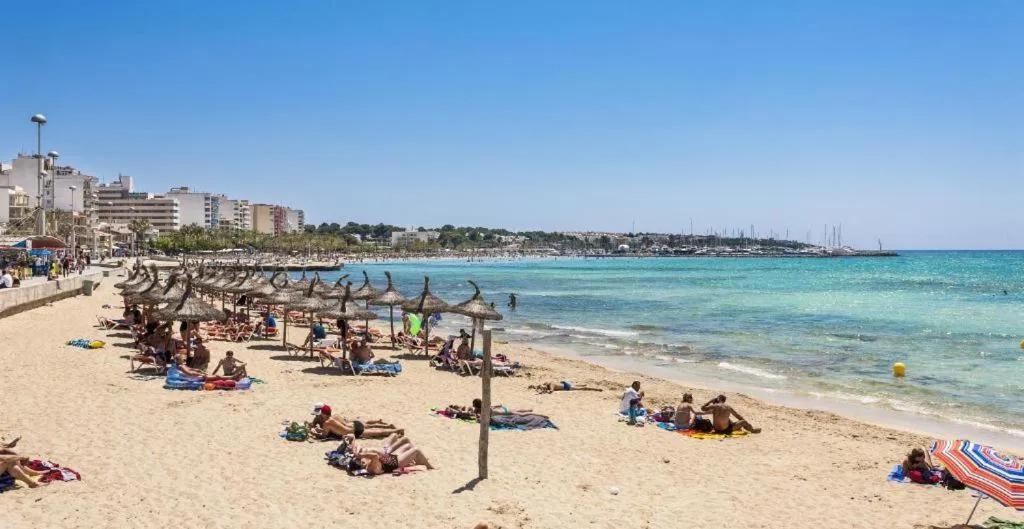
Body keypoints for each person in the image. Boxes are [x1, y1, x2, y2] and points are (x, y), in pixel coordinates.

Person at [529, 380, 603, 393]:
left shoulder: (551, 385)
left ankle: (596, 389)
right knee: (576, 385)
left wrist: (546, 392)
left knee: (580, 389)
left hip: (566, 386)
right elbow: (540, 386)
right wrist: (535, 387)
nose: (544, 388)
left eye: (543, 388)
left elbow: (551, 391)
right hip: (563, 383)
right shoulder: (546, 383)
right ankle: (582, 384)